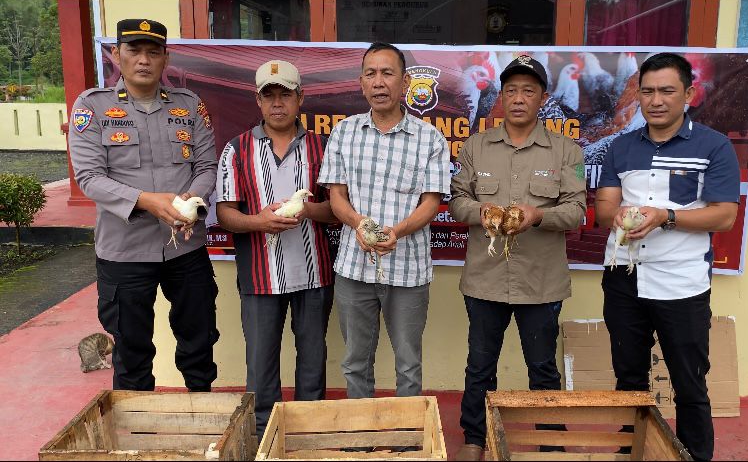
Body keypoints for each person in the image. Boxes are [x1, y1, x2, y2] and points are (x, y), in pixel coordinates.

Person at [595, 52, 740, 461]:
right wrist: (620, 214)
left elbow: (725, 215)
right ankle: (632, 452)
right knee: (629, 377)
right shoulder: (621, 148)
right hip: (624, 276)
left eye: (666, 91)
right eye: (647, 91)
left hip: (682, 282)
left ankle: (695, 454)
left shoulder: (713, 145)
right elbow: (605, 207)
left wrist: (665, 217)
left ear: (689, 94)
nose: (655, 100)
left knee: (689, 380)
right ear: (637, 95)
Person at [68, 19, 219, 391]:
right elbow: (89, 177)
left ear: (166, 58)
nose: (144, 60)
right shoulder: (93, 107)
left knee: (198, 344)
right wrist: (146, 201)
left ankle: (205, 423)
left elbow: (206, 166)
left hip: (187, 248)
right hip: (125, 253)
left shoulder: (189, 105)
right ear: (117, 54)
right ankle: (137, 440)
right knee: (132, 354)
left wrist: (190, 202)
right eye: (134, 51)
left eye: (154, 52)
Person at [449, 55, 587, 461]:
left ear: (543, 98)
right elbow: (458, 202)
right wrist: (486, 213)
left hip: (541, 282)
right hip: (485, 279)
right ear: (501, 96)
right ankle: (474, 439)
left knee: (542, 367)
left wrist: (537, 214)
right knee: (480, 367)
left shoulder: (567, 151)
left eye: (528, 90)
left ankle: (550, 441)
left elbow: (577, 211)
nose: (519, 99)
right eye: (511, 90)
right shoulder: (475, 146)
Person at [318, 42, 450, 400]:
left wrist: (398, 231)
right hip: (353, 268)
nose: (379, 82)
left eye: (387, 73)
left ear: (405, 82)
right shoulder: (344, 132)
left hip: (408, 270)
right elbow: (336, 196)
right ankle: (362, 436)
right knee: (355, 362)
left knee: (408, 364)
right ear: (361, 83)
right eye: (371, 74)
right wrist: (359, 223)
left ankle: (407, 441)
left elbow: (431, 203)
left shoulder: (430, 139)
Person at [215, 60, 338, 440]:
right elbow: (223, 214)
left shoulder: (324, 146)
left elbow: (338, 209)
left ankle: (306, 435)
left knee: (313, 362)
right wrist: (259, 222)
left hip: (315, 274)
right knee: (261, 365)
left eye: (285, 94)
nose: (278, 103)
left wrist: (305, 209)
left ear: (301, 97)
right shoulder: (236, 150)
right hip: (259, 276)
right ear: (258, 100)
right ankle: (262, 437)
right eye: (269, 95)